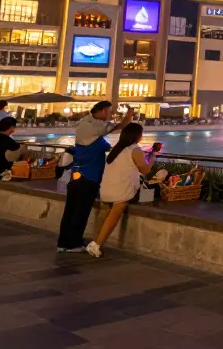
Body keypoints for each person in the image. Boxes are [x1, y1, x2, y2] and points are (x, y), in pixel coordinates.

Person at [56, 101, 134, 253]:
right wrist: (128, 116)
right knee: (81, 210)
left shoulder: (86, 122)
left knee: (71, 210)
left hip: (78, 173)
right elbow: (118, 128)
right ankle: (72, 244)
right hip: (88, 175)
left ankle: (64, 243)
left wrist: (127, 116)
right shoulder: (94, 126)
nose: (110, 115)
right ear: (103, 110)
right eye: (109, 111)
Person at [86, 123, 157, 257]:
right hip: (121, 189)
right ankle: (96, 245)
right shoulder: (134, 149)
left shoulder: (116, 149)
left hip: (106, 188)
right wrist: (153, 155)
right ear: (138, 136)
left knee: (104, 213)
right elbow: (145, 169)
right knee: (114, 215)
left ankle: (95, 241)